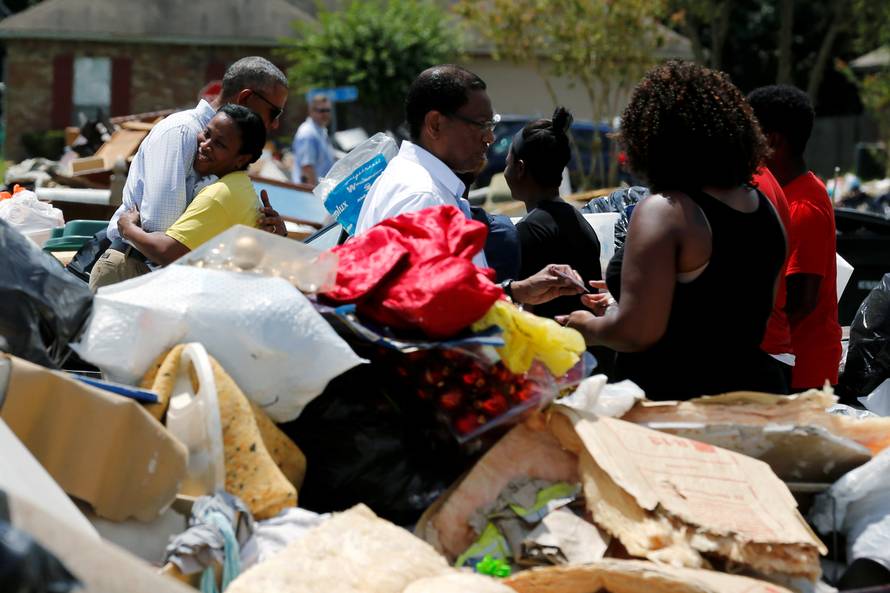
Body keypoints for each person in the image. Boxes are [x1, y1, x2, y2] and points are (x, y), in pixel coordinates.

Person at [557, 61, 788, 400]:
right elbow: (732, 309)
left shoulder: (666, 211)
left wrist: (584, 327)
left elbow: (637, 333)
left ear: (652, 138)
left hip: (678, 412)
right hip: (754, 398)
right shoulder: (764, 207)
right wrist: (619, 301)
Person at [355, 64, 582, 304]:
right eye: (482, 124)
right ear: (435, 124)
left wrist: (513, 292)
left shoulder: (419, 184)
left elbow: (448, 296)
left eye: (491, 125)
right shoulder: (423, 197)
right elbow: (425, 311)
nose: (490, 137)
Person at [90, 56, 289, 291]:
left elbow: (196, 232)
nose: (275, 124)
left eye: (219, 143)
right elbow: (161, 227)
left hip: (161, 276)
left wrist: (261, 228)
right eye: (274, 112)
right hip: (134, 270)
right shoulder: (182, 132)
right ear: (245, 98)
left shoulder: (224, 148)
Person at [748, 85, 842, 390]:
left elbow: (802, 301)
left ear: (772, 141)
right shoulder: (789, 191)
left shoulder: (803, 206)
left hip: (803, 372)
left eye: (749, 133)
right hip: (789, 363)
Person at [116, 105, 281, 266]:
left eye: (220, 144)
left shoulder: (220, 194)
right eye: (206, 133)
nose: (205, 145)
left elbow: (167, 252)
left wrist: (128, 228)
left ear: (242, 159)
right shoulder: (240, 186)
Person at [507, 106, 602, 320]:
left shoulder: (528, 230)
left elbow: (525, 312)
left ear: (520, 168)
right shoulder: (578, 220)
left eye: (507, 163)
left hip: (551, 348)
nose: (505, 170)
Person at [292, 94, 336, 187]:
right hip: (312, 193)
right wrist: (315, 196)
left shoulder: (321, 130)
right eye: (321, 111)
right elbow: (307, 168)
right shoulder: (308, 133)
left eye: (328, 110)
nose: (325, 114)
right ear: (311, 111)